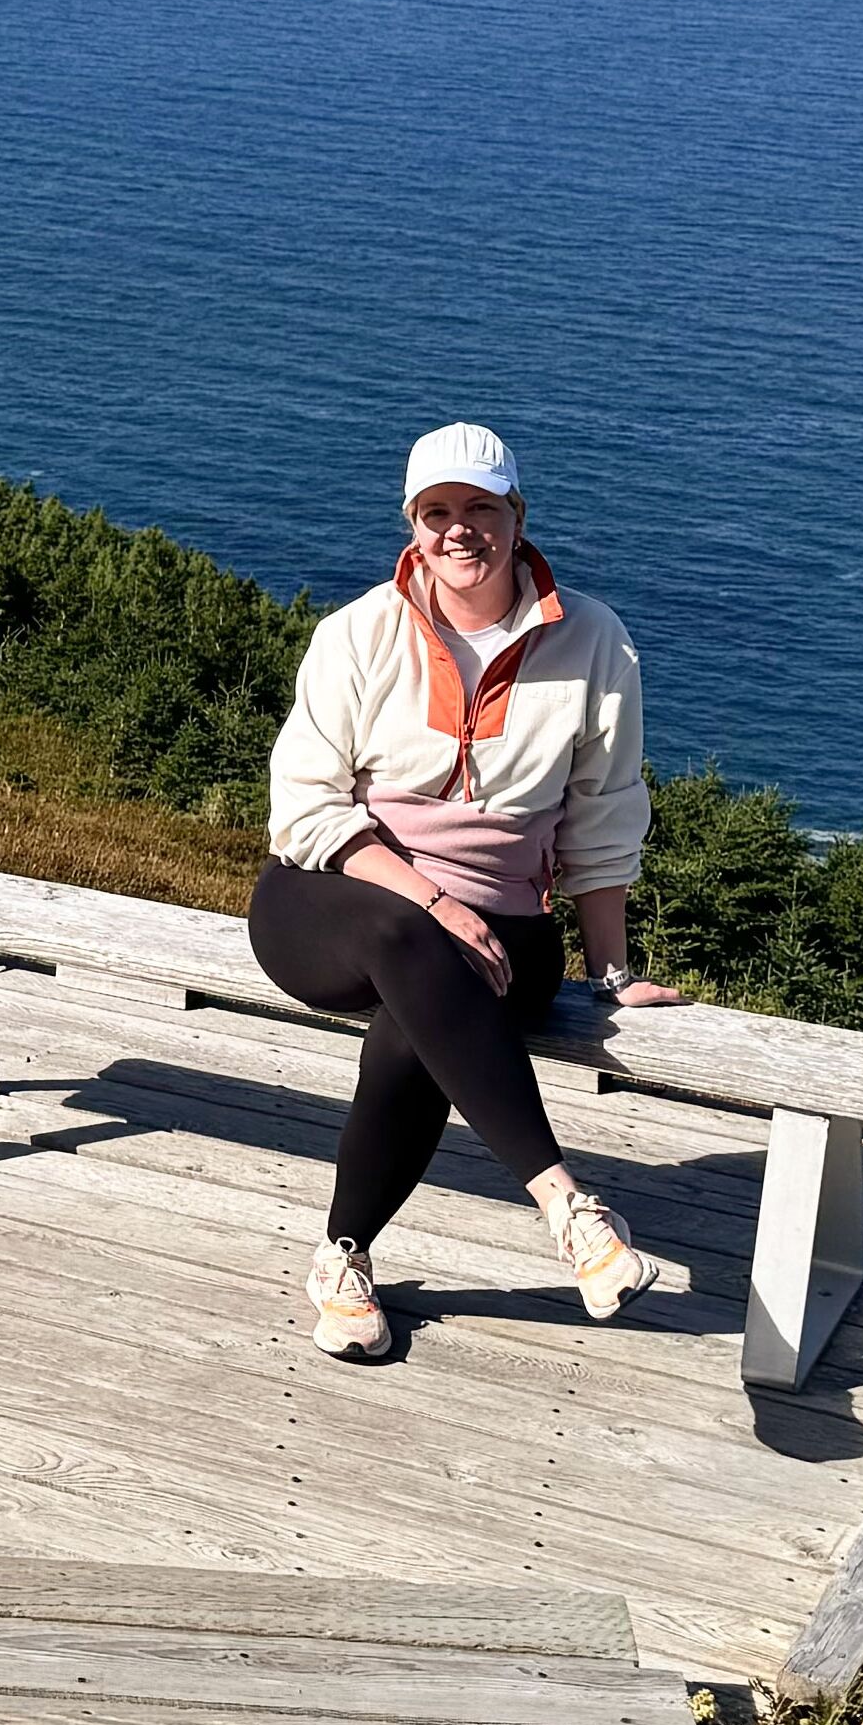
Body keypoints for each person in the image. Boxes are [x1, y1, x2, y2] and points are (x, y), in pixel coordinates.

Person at [251, 421, 681, 1365]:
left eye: (479, 508)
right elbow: (304, 808)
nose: (458, 530)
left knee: (418, 1014)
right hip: (329, 901)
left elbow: (602, 817)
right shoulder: (357, 631)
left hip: (500, 927)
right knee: (409, 938)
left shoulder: (594, 639)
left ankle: (341, 1258)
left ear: (516, 515)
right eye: (435, 511)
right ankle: (566, 1204)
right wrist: (433, 901)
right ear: (411, 524)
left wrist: (610, 973)